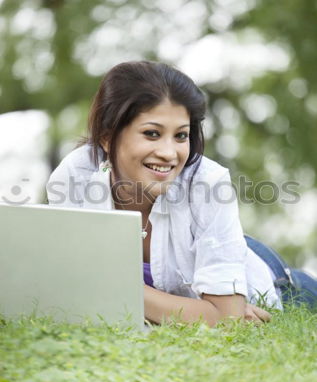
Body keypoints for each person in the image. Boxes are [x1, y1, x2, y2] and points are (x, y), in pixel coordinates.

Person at [46, 61, 317, 327]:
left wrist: (116, 288)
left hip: (270, 274)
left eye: (181, 136)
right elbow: (69, 285)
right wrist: (203, 312)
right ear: (107, 136)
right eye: (151, 133)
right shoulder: (75, 176)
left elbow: (227, 319)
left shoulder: (208, 183)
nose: (169, 153)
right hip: (207, 250)